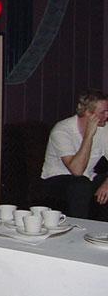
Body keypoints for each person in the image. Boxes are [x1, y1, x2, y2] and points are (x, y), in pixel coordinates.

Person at [40, 89, 108, 219]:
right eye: (103, 112)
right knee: (81, 185)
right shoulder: (62, 130)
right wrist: (88, 136)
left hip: (87, 178)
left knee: (85, 183)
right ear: (88, 113)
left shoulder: (104, 128)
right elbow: (77, 170)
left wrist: (107, 183)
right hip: (56, 180)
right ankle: (80, 228)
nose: (107, 115)